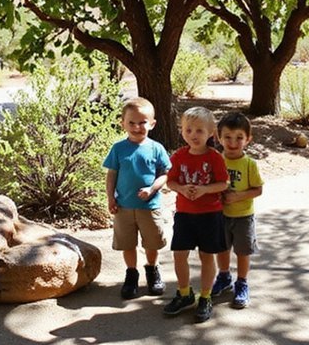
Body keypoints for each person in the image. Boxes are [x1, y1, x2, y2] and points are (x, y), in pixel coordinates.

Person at [163, 106, 229, 323]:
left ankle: (206, 296)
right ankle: (184, 293)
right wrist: (181, 189)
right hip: (184, 213)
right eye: (188, 129)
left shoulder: (215, 157)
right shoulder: (179, 156)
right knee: (179, 254)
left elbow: (223, 183)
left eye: (199, 130)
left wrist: (204, 189)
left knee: (206, 256)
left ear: (211, 133)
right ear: (182, 131)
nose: (193, 135)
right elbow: (171, 180)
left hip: (209, 214)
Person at [103, 97, 171, 300]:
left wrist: (152, 189)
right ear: (122, 123)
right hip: (124, 207)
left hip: (149, 206)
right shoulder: (118, 149)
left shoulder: (156, 148)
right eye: (131, 122)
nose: (136, 127)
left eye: (142, 122)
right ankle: (131, 274)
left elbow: (165, 174)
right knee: (127, 243)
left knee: (151, 243)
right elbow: (112, 174)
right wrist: (110, 198)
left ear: (152, 123)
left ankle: (152, 270)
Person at [211, 112, 264, 309]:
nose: (233, 143)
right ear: (218, 137)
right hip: (220, 215)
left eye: (239, 138)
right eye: (228, 137)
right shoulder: (216, 160)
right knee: (222, 249)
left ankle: (241, 283)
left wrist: (237, 196)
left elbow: (258, 189)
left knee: (243, 252)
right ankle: (224, 276)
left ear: (248, 139)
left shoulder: (249, 164)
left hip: (243, 217)